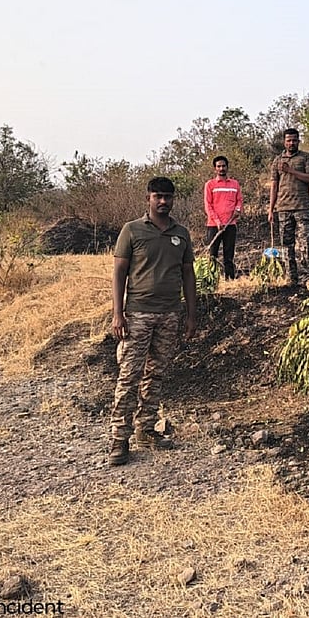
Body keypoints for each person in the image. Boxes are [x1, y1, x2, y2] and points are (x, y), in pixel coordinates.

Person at [108, 176, 197, 466]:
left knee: (156, 374)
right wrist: (117, 313)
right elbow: (119, 273)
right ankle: (119, 439)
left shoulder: (181, 234)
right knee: (129, 375)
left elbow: (188, 275)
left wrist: (191, 315)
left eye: (168, 197)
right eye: (157, 196)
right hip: (138, 314)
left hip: (170, 314)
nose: (163, 202)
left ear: (174, 199)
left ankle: (145, 430)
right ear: (147, 197)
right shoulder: (132, 231)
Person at [267, 127, 309, 285]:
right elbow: (274, 185)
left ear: (298, 141)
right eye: (289, 140)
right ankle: (291, 277)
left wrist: (291, 171)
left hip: (302, 207)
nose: (292, 143)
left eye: (294, 140)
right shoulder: (277, 161)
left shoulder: (305, 157)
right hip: (283, 208)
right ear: (284, 142)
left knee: (305, 243)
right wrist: (271, 209)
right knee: (286, 245)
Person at [203, 155, 242, 279]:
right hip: (214, 225)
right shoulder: (210, 185)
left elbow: (239, 201)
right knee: (212, 254)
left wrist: (238, 210)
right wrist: (217, 221)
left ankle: (230, 279)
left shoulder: (235, 184)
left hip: (230, 225)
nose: (221, 168)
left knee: (229, 254)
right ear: (215, 169)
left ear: (227, 167)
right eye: (218, 166)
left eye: (223, 166)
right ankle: (211, 280)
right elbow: (208, 205)